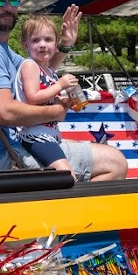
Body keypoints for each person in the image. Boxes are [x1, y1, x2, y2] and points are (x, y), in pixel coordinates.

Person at [0, 0, 127, 181]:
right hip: (1, 158)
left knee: (92, 153)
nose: (8, 7)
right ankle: (67, 207)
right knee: (115, 162)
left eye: (14, 0)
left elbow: (39, 72)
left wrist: (64, 44)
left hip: (6, 148)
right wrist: (55, 112)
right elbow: (2, 112)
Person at [11, 14, 86, 180]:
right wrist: (60, 85)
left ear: (56, 43)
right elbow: (33, 97)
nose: (43, 45)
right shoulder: (29, 65)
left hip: (48, 135)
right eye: (36, 40)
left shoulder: (48, 70)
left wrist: (64, 101)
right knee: (67, 176)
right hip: (35, 135)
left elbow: (47, 98)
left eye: (48, 39)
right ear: (25, 45)